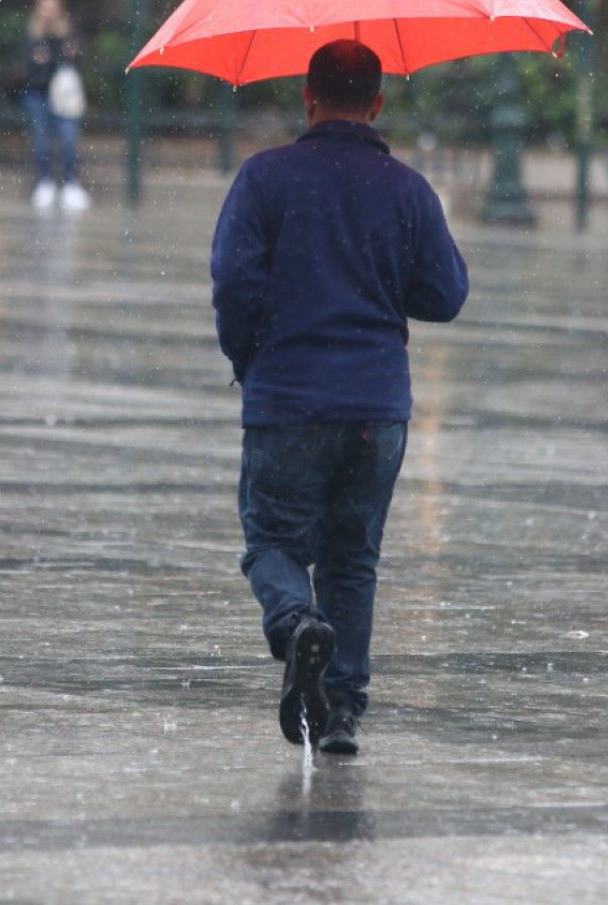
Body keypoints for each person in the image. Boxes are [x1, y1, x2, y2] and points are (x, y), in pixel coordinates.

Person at [210, 40, 469, 756]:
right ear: (378, 104)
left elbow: (233, 283)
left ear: (306, 96)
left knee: (271, 542)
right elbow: (445, 294)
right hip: (377, 407)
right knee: (353, 558)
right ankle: (341, 713)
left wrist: (247, 356)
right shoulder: (408, 190)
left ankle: (297, 625)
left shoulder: (264, 180)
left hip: (287, 399)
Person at [16, 0, 89, 212]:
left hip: (64, 97)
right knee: (40, 139)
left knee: (68, 138)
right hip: (37, 96)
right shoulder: (30, 36)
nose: (49, 13)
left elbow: (72, 62)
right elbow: (28, 69)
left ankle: (70, 183)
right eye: (44, 8)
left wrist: (50, 59)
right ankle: (44, 181)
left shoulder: (69, 33)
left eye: (53, 8)